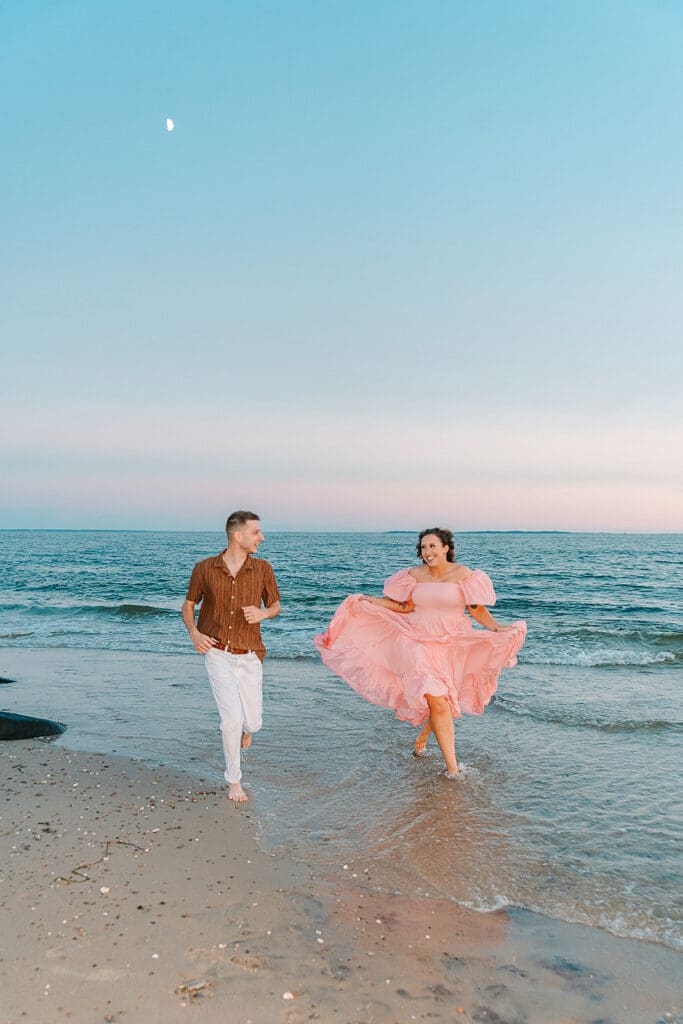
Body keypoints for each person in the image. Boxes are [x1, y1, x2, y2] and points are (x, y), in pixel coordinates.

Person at [314, 528, 526, 776]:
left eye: (433, 546)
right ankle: (453, 770)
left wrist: (496, 627)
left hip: (452, 641)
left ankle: (423, 736)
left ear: (446, 548)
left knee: (442, 699)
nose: (427, 552)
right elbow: (405, 606)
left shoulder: (464, 575)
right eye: (424, 547)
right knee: (436, 697)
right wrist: (372, 601)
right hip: (417, 640)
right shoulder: (414, 575)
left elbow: (476, 609)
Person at [182, 511, 281, 802]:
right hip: (217, 653)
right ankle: (234, 782)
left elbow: (275, 605)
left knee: (253, 722)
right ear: (238, 535)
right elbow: (188, 604)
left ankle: (247, 730)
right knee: (230, 721)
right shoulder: (204, 568)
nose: (261, 537)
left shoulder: (263, 569)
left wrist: (263, 612)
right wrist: (195, 634)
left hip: (250, 655)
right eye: (256, 532)